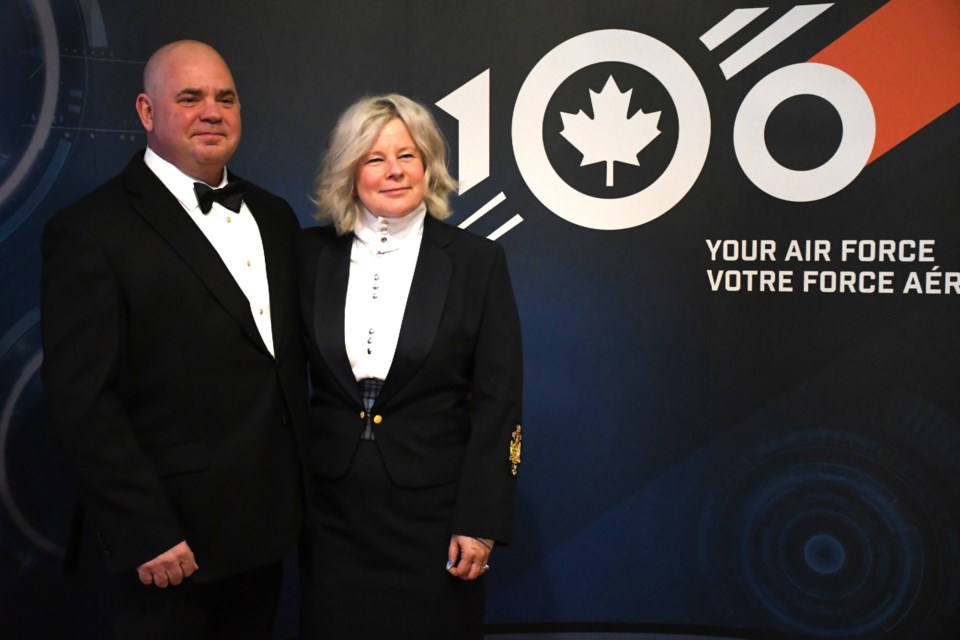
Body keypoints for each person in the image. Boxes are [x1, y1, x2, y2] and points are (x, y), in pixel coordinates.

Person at [40, 40, 305, 640]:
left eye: (225, 98)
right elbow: (84, 402)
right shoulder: (89, 231)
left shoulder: (275, 216)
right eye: (189, 98)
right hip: (165, 548)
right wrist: (144, 530)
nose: (212, 111)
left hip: (263, 538)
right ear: (146, 111)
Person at [297, 94, 523, 639]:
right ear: (349, 171)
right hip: (332, 515)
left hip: (436, 517)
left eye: (408, 155)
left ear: (429, 165)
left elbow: (499, 400)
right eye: (375, 158)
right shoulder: (305, 255)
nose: (394, 171)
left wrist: (481, 521)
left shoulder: (476, 262)